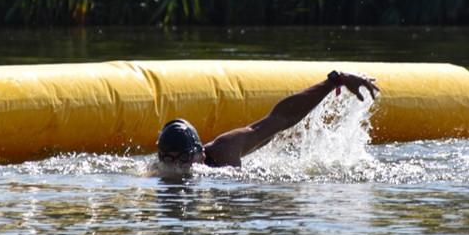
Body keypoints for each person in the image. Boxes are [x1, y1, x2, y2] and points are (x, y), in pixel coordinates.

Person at [155, 70, 380, 171]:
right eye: (168, 160)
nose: (177, 167)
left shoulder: (225, 151)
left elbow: (281, 118)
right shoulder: (156, 172)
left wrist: (335, 80)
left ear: (199, 153)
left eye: (184, 158)